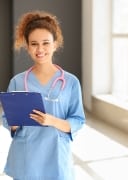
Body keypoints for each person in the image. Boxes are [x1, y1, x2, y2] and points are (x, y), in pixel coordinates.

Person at [2, 10, 85, 180]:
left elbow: (78, 120)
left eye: (46, 43)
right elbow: (6, 119)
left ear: (55, 44)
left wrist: (51, 121)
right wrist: (13, 122)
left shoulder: (70, 82)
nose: (40, 49)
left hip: (56, 156)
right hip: (26, 157)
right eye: (34, 44)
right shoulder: (17, 81)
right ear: (27, 46)